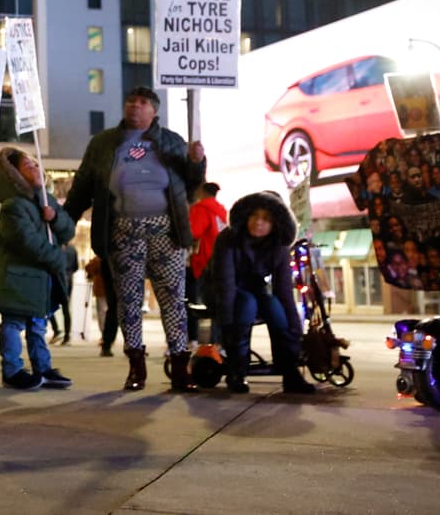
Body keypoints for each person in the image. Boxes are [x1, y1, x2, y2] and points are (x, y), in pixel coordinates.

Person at [64, 86, 206, 392]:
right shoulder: (103, 144)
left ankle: (180, 366)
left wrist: (197, 163)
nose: (135, 107)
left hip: (165, 231)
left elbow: (193, 185)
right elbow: (82, 186)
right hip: (122, 230)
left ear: (154, 111)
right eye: (131, 101)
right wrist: (64, 223)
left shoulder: (172, 141)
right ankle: (136, 366)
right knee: (128, 302)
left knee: (172, 300)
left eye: (143, 103)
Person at [207, 191, 315, 395]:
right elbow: (225, 283)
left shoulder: (279, 246)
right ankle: (237, 371)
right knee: (247, 304)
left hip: (253, 289)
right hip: (219, 289)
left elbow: (283, 291)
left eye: (266, 219)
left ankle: (290, 373)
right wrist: (227, 325)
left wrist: (295, 328)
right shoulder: (228, 238)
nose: (258, 222)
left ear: (276, 223)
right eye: (254, 216)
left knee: (274, 307)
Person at [0, 148, 75, 390]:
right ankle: (12, 370)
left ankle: (42, 368)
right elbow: (27, 242)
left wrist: (55, 217)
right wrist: (58, 258)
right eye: (28, 164)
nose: (35, 167)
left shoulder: (47, 201)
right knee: (14, 323)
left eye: (36, 163)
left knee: (38, 324)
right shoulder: (13, 206)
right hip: (18, 276)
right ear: (15, 173)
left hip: (40, 278)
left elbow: (68, 231)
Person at [187, 181, 226, 344]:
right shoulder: (221, 210)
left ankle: (196, 340)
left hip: (202, 262)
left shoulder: (201, 208)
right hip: (219, 260)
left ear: (202, 192)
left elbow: (194, 232)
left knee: (195, 303)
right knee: (218, 302)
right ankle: (218, 342)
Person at [48, 243, 77, 345]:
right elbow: (75, 267)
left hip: (57, 278)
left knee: (48, 306)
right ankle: (67, 335)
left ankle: (56, 330)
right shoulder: (72, 249)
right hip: (68, 279)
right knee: (66, 309)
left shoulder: (55, 247)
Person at [84, 254, 109, 343]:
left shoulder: (98, 259)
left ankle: (104, 334)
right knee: (109, 311)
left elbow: (88, 268)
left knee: (102, 312)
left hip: (101, 289)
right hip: (111, 289)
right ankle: (109, 334)